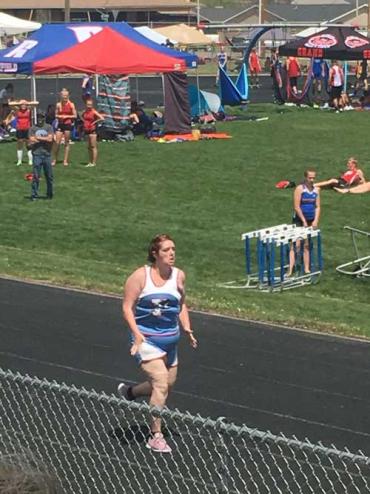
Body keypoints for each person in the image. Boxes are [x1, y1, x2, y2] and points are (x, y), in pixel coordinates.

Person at [118, 234, 197, 453]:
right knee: (161, 382)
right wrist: (137, 334)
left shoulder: (179, 276)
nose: (172, 253)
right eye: (166, 250)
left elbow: (181, 305)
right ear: (155, 254)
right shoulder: (140, 277)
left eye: (173, 249)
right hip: (146, 340)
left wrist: (187, 328)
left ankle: (131, 392)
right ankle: (156, 436)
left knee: (166, 385)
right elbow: (127, 307)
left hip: (171, 341)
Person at [288, 169, 320, 276]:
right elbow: (296, 207)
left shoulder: (316, 190)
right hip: (299, 219)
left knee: (306, 244)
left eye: (313, 178)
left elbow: (318, 206)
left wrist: (315, 220)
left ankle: (306, 268)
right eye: (310, 178)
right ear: (305, 177)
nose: (312, 180)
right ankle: (290, 269)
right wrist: (303, 220)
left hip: (310, 219)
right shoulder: (300, 189)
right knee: (295, 244)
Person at [28, 111, 54, 201]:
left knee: (49, 176)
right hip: (37, 154)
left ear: (44, 118)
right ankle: (34, 195)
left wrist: (37, 138)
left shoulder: (49, 127)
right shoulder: (32, 128)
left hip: (47, 154)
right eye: (39, 117)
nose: (40, 119)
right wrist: (45, 138)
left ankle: (49, 194)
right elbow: (31, 140)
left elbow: (50, 139)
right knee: (36, 176)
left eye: (42, 117)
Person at [6, 99, 38, 166]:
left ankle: (30, 160)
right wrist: (19, 103)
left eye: (24, 104)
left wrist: (27, 102)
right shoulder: (17, 110)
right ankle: (19, 161)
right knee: (20, 145)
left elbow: (36, 103)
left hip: (27, 129)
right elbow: (10, 104)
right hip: (19, 129)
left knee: (29, 145)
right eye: (22, 104)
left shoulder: (29, 110)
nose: (23, 105)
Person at [52, 88, 77, 167]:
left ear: (68, 96)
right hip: (60, 124)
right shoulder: (58, 104)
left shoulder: (71, 104)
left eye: (66, 96)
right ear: (61, 96)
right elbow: (55, 115)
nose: (64, 97)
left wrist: (66, 116)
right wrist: (59, 116)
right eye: (63, 96)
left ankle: (65, 160)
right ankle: (54, 159)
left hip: (67, 124)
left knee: (66, 142)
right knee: (57, 142)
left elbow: (75, 115)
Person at [81, 99, 104, 167]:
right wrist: (84, 122)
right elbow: (82, 116)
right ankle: (90, 161)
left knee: (93, 146)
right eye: (88, 105)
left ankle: (94, 162)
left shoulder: (93, 111)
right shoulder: (85, 112)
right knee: (89, 147)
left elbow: (102, 118)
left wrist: (94, 122)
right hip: (86, 130)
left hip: (92, 131)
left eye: (90, 105)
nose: (89, 106)